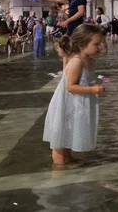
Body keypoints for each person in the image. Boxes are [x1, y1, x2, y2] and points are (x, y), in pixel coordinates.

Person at [42, 25, 106, 164]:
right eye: (96, 44)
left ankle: (68, 162)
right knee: (59, 142)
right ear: (82, 44)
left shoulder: (89, 61)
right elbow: (70, 87)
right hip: (65, 106)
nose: (100, 47)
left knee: (68, 135)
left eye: (100, 43)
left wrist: (94, 87)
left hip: (76, 105)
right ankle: (58, 171)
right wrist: (92, 90)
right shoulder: (76, 62)